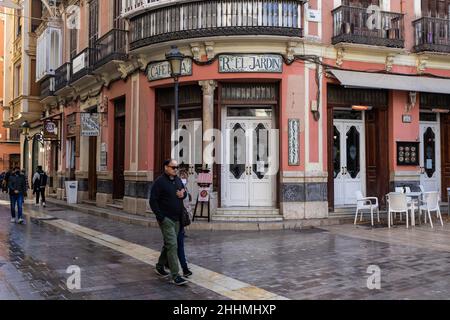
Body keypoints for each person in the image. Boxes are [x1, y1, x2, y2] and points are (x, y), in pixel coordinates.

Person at [150, 159, 189, 286]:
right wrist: (161, 217)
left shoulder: (177, 180)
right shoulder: (159, 182)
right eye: (173, 167)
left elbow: (184, 193)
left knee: (169, 244)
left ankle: (160, 266)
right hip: (166, 219)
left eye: (177, 167)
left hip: (177, 219)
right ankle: (175, 275)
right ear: (166, 167)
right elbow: (153, 201)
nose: (176, 169)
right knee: (173, 245)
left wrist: (182, 194)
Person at [177, 169, 193, 277]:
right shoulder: (177, 188)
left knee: (170, 245)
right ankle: (185, 268)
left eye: (185, 177)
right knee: (179, 244)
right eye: (182, 176)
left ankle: (162, 263)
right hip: (177, 219)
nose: (184, 178)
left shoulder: (185, 187)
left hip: (182, 218)